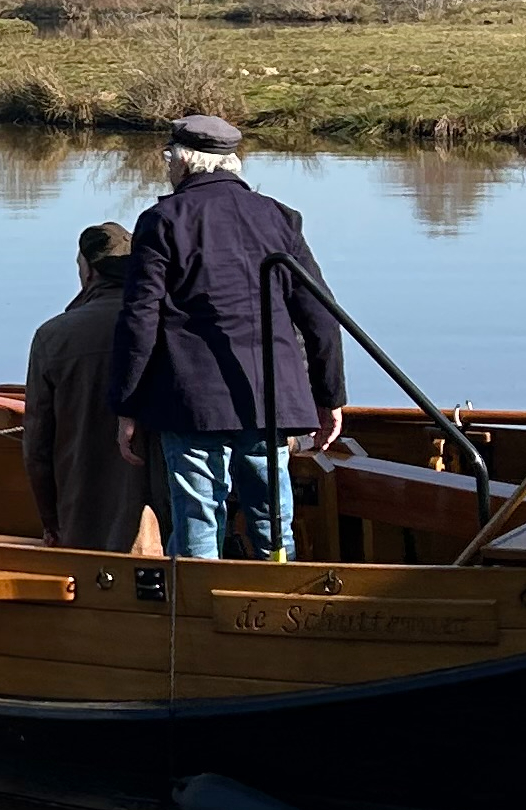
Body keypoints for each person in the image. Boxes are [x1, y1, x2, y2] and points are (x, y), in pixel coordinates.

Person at [106, 115, 346, 561]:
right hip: (270, 399)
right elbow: (320, 314)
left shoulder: (162, 220)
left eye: (168, 161)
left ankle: (199, 614)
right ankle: (279, 602)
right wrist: (329, 395)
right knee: (273, 521)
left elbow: (140, 318)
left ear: (180, 162)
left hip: (191, 402)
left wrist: (127, 405)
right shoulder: (278, 217)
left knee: (198, 519)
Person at [21, 221, 158, 552]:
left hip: (81, 524)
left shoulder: (52, 336)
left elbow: (37, 447)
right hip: (157, 529)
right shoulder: (167, 326)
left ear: (90, 271)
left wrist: (50, 522)